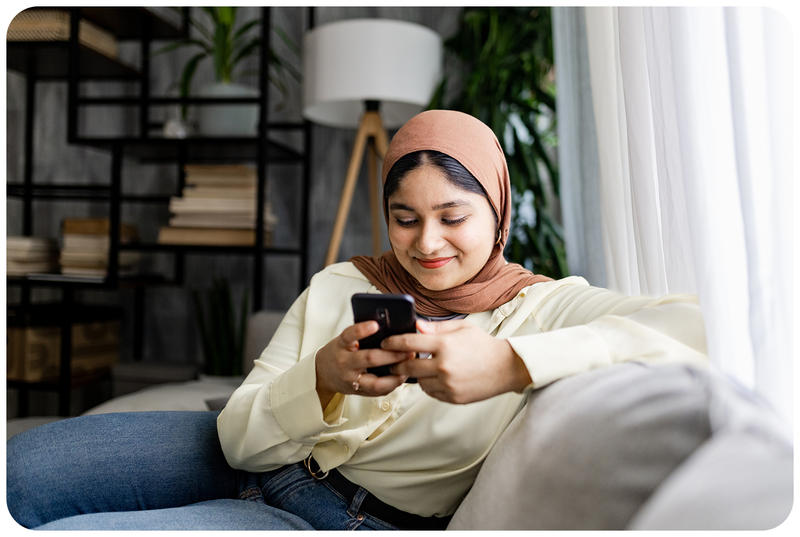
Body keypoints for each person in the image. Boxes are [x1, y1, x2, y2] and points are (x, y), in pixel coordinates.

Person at [6, 110, 708, 531]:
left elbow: (703, 326)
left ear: (499, 211)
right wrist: (319, 377)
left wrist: (509, 363)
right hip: (246, 459)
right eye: (405, 219)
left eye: (453, 217)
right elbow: (238, 434)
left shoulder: (543, 306)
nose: (426, 244)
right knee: (21, 468)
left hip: (331, 520)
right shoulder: (347, 282)